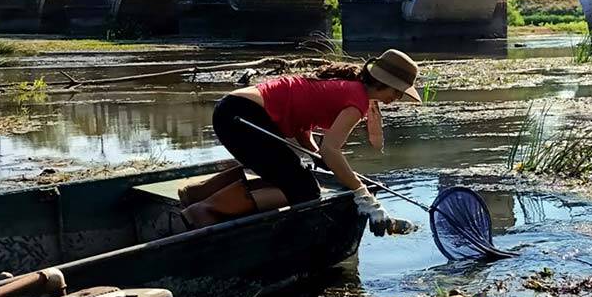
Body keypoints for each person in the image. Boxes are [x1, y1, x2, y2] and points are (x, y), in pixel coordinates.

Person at [179, 49, 421, 235]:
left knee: (286, 172)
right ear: (383, 82)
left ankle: (195, 194)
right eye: (397, 92)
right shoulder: (357, 99)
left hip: (233, 110)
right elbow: (332, 149)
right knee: (304, 190)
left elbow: (302, 126)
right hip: (245, 116)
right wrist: (364, 195)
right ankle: (205, 211)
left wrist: (315, 154)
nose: (396, 98)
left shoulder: (346, 86)